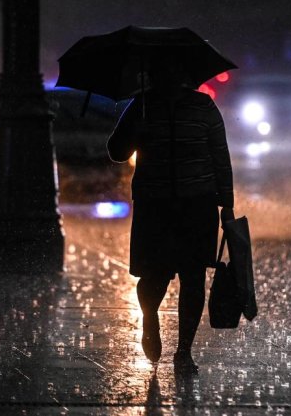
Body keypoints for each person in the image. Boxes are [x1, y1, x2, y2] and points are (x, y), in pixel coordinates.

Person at [106, 54, 234, 373]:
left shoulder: (204, 107)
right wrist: (139, 134)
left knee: (193, 279)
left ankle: (184, 353)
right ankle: (150, 319)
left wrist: (227, 205)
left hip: (197, 205)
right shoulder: (141, 107)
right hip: (156, 205)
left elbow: (221, 158)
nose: (168, 77)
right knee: (154, 277)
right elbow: (116, 152)